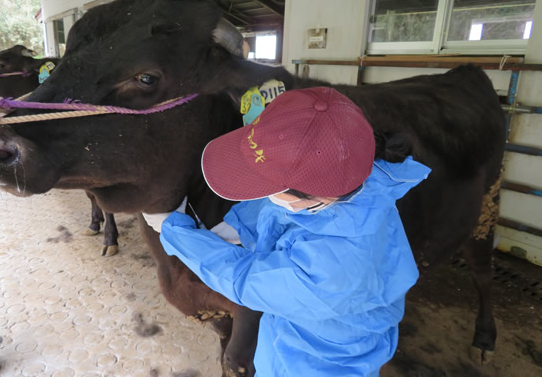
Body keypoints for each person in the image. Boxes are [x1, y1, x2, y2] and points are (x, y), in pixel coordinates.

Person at [150, 87, 431, 376]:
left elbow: (242, 278)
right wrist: (237, 223)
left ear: (320, 196)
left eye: (270, 187)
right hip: (321, 323)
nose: (265, 194)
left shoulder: (330, 266)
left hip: (314, 362)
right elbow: (283, 210)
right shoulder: (361, 178)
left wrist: (174, 231)